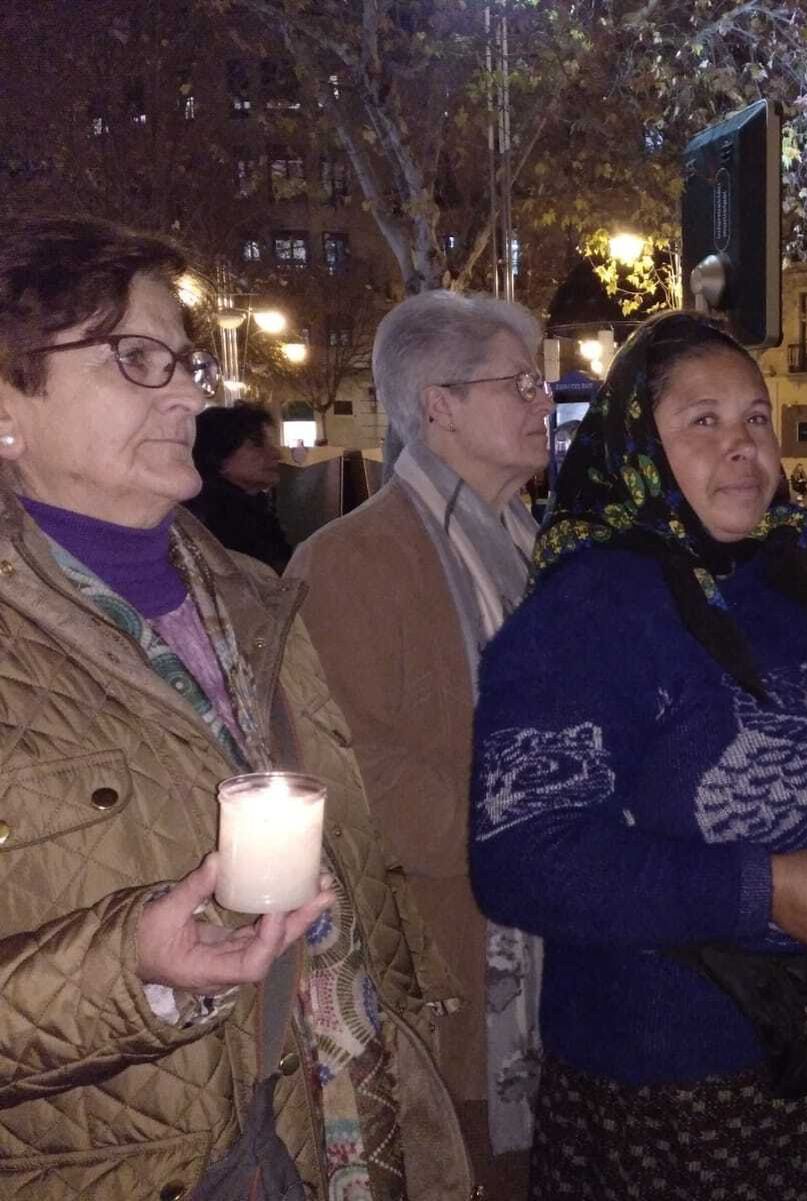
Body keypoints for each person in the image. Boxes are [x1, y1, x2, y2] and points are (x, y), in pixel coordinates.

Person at [0, 214, 469, 1199]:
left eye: (184, 362)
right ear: (8, 402)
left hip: (330, 1115)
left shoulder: (258, 600)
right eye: (136, 358)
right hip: (135, 1159)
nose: (185, 389)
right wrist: (132, 968)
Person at [468, 310, 807, 1200]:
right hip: (684, 1086)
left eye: (755, 419)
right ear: (635, 445)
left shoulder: (767, 583)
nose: (742, 446)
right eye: (703, 421)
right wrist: (761, 887)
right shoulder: (589, 613)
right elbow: (523, 857)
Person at [286, 290, 552, 1193]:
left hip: (559, 944)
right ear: (438, 404)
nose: (541, 400)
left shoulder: (535, 541)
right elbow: (355, 767)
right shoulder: (352, 558)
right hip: (454, 955)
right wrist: (535, 840)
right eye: (518, 382)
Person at [183, 401, 295, 572]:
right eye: (257, 445)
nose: (276, 454)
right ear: (219, 458)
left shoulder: (255, 508)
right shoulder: (216, 524)